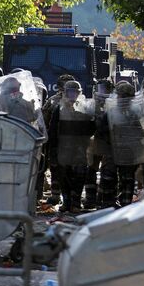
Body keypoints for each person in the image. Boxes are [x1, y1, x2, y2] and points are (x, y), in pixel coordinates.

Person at [49, 80, 95, 212]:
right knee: (64, 176)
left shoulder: (85, 107)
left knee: (79, 176)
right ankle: (67, 202)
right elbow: (53, 129)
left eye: (75, 92)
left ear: (79, 93)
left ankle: (75, 203)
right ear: (65, 92)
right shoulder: (59, 108)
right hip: (63, 148)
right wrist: (54, 148)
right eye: (69, 92)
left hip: (80, 149)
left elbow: (92, 127)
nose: (72, 95)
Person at [107, 81, 144, 206]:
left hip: (129, 150)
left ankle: (125, 203)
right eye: (122, 96)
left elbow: (142, 132)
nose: (124, 99)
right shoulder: (111, 111)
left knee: (128, 178)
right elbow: (102, 129)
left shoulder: (136, 112)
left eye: (127, 97)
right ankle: (110, 203)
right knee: (110, 177)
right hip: (114, 149)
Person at [42, 74, 75, 206]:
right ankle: (57, 195)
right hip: (57, 139)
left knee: (69, 169)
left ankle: (67, 197)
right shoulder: (53, 101)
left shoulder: (78, 101)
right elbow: (45, 119)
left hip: (71, 141)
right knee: (56, 168)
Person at [88, 79, 115, 209]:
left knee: (107, 171)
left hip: (108, 142)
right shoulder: (91, 104)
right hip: (94, 140)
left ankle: (103, 197)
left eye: (106, 89)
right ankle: (90, 197)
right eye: (101, 88)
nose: (103, 92)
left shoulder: (114, 104)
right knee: (91, 169)